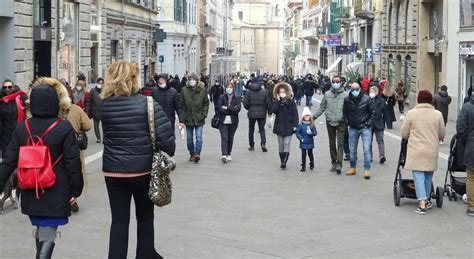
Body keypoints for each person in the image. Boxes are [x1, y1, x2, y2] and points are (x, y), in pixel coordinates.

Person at [0, 78, 83, 258]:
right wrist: (76, 189)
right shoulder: (63, 128)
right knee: (48, 231)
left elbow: (9, 160)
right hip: (57, 189)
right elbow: (73, 163)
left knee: (41, 228)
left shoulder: (22, 128)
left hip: (31, 188)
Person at [100, 61, 175, 258]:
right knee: (144, 217)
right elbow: (168, 142)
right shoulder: (147, 103)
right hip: (142, 171)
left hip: (113, 171)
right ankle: (145, 254)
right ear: (133, 78)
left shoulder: (105, 105)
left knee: (118, 220)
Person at [401, 90, 446, 215]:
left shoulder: (411, 113)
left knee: (418, 177)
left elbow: (404, 133)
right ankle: (426, 200)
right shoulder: (438, 114)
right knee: (428, 177)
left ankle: (422, 204)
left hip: (416, 150)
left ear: (418, 100)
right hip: (431, 150)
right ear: (431, 100)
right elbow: (442, 133)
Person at [313, 76, 348, 174]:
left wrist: (349, 121)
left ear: (341, 83)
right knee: (332, 144)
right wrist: (314, 117)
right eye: (334, 81)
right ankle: (333, 162)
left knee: (340, 144)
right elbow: (322, 107)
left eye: (337, 81)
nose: (335, 83)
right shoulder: (327, 94)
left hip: (341, 122)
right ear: (331, 83)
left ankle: (339, 164)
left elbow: (349, 109)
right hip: (330, 122)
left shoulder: (346, 95)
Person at [66, 88, 92, 213]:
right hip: (74, 146)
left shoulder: (52, 109)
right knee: (75, 171)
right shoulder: (76, 109)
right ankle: (73, 198)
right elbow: (88, 125)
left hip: (55, 148)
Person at [344, 82, 376, 179]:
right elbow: (344, 112)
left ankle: (367, 169)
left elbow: (373, 112)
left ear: (360, 89)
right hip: (353, 127)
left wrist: (368, 124)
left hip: (365, 127)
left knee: (366, 149)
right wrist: (347, 122)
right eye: (353, 89)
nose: (354, 91)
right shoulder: (347, 100)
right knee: (352, 150)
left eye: (356, 89)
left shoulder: (367, 99)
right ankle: (352, 167)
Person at [181, 72, 210, 163]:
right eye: (190, 79)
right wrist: (183, 116)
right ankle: (192, 153)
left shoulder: (202, 89)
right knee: (189, 138)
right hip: (188, 117)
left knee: (199, 137)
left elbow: (206, 103)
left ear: (197, 80)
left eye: (193, 79)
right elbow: (181, 104)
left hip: (199, 117)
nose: (191, 81)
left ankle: (197, 154)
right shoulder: (184, 90)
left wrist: (204, 114)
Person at [272, 82, 299, 169]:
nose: (282, 93)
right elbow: (274, 110)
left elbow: (295, 114)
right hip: (279, 125)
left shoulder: (291, 102)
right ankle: (282, 160)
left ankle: (284, 161)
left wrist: (295, 125)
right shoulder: (276, 102)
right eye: (280, 92)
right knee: (281, 144)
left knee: (286, 143)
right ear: (278, 93)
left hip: (289, 125)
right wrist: (278, 101)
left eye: (284, 91)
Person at [456, 91, 474, 217]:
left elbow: (460, 128)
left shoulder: (467, 107)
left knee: (471, 178)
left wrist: (467, 140)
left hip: (472, 147)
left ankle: (472, 207)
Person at [0, 80, 27, 158]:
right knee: (6, 157)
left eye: (9, 87)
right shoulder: (1, 99)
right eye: (5, 87)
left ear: (13, 87)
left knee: (18, 155)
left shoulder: (20, 97)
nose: (7, 89)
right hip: (5, 133)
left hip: (18, 131)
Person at [152, 74, 185, 139]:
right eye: (159, 81)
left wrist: (181, 120)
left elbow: (178, 107)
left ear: (166, 81)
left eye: (162, 81)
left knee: (170, 136)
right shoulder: (154, 92)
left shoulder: (173, 92)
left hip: (169, 119)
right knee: (158, 137)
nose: (161, 83)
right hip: (157, 119)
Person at [217, 83, 241, 163]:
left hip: (233, 122)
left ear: (233, 89)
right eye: (227, 87)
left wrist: (227, 107)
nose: (229, 89)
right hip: (223, 121)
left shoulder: (237, 98)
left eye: (230, 88)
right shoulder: (221, 97)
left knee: (230, 138)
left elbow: (237, 109)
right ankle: (224, 154)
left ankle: (228, 154)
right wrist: (231, 110)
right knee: (224, 138)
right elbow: (219, 108)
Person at [243, 82, 272, 152]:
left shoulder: (248, 92)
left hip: (252, 113)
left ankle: (251, 145)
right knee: (262, 129)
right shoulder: (264, 91)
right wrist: (269, 111)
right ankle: (263, 143)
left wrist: (249, 108)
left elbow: (245, 103)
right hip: (262, 113)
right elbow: (268, 103)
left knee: (251, 129)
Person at [296, 107, 318, 172]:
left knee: (310, 153)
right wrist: (301, 139)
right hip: (303, 142)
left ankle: (312, 162)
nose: (307, 117)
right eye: (305, 116)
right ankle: (303, 166)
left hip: (310, 141)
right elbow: (297, 133)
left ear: (310, 117)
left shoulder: (312, 124)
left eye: (308, 116)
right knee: (303, 154)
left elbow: (315, 133)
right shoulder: (300, 125)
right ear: (303, 117)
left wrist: (311, 133)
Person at [369, 86, 386, 164]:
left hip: (379, 123)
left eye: (372, 91)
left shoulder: (381, 100)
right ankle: (370, 156)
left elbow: (385, 112)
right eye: (370, 91)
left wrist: (384, 122)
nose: (370, 93)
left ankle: (382, 156)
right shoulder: (367, 100)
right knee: (369, 141)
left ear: (376, 92)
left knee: (380, 140)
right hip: (369, 123)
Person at [86, 78, 103, 143]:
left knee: (105, 126)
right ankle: (98, 138)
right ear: (97, 83)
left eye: (101, 83)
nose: (100, 84)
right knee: (96, 126)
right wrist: (87, 111)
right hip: (95, 111)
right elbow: (88, 101)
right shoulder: (93, 91)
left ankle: (105, 138)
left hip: (103, 111)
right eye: (99, 83)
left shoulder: (105, 91)